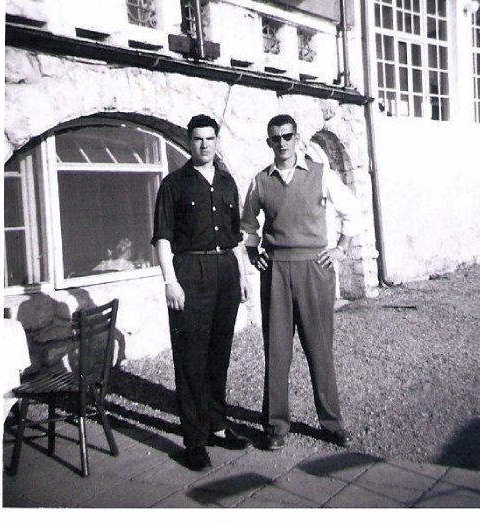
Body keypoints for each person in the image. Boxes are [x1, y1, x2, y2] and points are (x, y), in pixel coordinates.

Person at [241, 114, 360, 450]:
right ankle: (276, 425)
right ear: (268, 142)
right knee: (277, 350)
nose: (282, 143)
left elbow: (352, 212)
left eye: (287, 136)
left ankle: (332, 422)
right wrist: (253, 255)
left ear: (297, 138)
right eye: (275, 138)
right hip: (276, 270)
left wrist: (340, 249)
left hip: (314, 269)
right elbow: (247, 225)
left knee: (319, 348)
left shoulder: (321, 175)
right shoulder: (260, 181)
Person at [151, 114, 250, 471]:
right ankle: (193, 440)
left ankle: (218, 426)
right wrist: (170, 281)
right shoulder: (173, 184)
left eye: (210, 139)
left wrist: (242, 274)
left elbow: (235, 236)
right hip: (190, 272)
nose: (204, 145)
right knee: (191, 357)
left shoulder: (227, 182)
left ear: (216, 141)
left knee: (218, 352)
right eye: (198, 139)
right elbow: (162, 237)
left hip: (225, 271)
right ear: (189, 142)